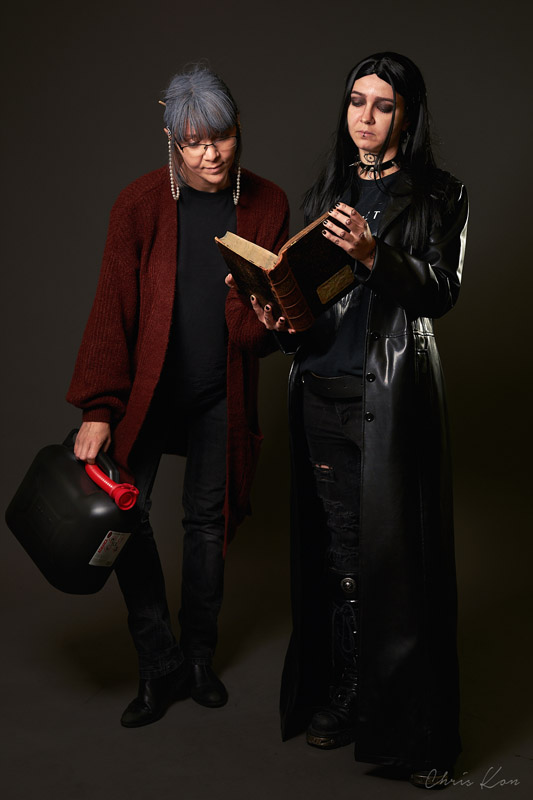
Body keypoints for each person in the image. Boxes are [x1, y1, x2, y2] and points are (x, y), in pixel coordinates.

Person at [227, 52, 468, 788]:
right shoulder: (327, 192)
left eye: (382, 105)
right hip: (320, 394)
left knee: (397, 564)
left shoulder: (439, 193)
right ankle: (349, 693)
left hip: (387, 398)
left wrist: (373, 253)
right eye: (356, 102)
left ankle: (414, 732)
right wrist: (277, 319)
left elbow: (441, 290)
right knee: (340, 559)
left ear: (406, 114)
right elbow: (317, 308)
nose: (365, 117)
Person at [67, 64, 289, 728]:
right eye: (194, 142)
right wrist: (98, 408)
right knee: (125, 518)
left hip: (222, 392)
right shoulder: (138, 204)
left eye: (220, 137)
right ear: (172, 139)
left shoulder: (267, 205)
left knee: (206, 525)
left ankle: (197, 658)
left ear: (238, 128)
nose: (210, 154)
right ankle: (157, 662)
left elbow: (258, 333)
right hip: (150, 390)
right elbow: (111, 309)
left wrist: (266, 316)